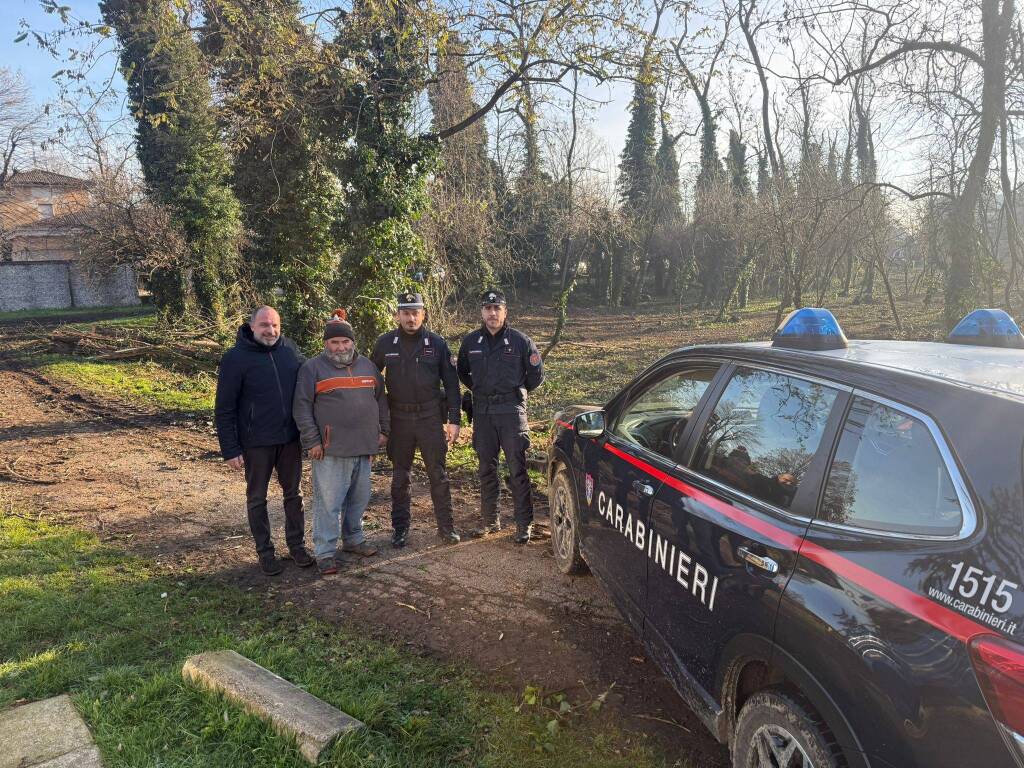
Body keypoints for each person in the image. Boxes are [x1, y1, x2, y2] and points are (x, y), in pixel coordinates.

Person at [214, 306, 312, 576]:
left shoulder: (290, 350)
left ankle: (297, 546)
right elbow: (224, 408)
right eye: (265, 325)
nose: (270, 331)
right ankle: (265, 553)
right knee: (257, 498)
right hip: (255, 442)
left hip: (290, 439)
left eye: (275, 326)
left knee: (295, 494)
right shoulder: (235, 358)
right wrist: (230, 449)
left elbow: (310, 378)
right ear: (252, 326)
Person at [292, 309, 389, 575]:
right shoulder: (312, 369)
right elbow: (301, 407)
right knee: (329, 503)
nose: (340, 347)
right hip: (330, 450)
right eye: (334, 342)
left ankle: (354, 539)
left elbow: (381, 400)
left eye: (345, 341)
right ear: (326, 344)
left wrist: (384, 432)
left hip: (364, 446)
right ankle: (324, 552)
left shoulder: (368, 366)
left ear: (352, 342)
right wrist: (312, 440)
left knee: (359, 499)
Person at [371, 291, 462, 548]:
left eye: (415, 312)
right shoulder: (385, 343)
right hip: (399, 417)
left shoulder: (437, 343)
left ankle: (446, 527)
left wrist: (454, 420)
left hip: (430, 417)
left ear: (423, 314)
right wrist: (376, 418)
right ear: (397, 315)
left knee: (438, 475)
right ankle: (400, 529)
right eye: (406, 313)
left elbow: (452, 385)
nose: (411, 318)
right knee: (400, 477)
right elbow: (371, 380)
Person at [456, 289, 544, 544]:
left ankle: (523, 524)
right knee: (486, 469)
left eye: (497, 309)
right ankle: (490, 521)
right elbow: (463, 372)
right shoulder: (471, 342)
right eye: (487, 309)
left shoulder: (520, 341)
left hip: (511, 412)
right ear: (482, 312)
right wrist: (480, 390)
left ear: (505, 312)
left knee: (517, 469)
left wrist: (514, 392)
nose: (492, 313)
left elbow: (535, 376)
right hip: (483, 412)